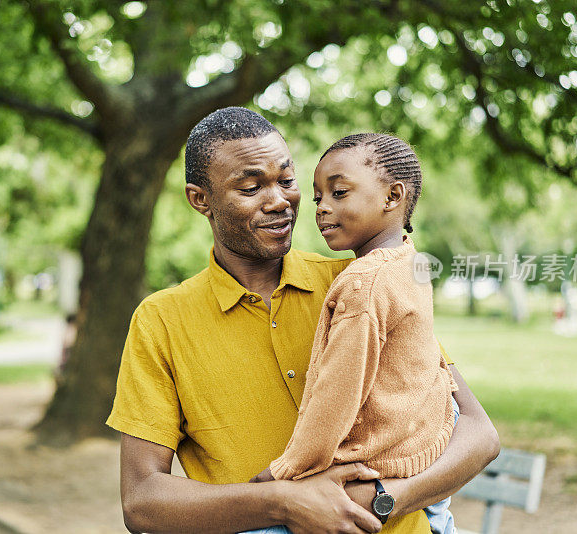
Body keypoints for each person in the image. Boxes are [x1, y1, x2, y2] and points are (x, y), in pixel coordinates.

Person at [106, 107, 499, 533]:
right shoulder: (161, 321)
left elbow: (478, 432)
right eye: (252, 186)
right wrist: (281, 502)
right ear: (201, 200)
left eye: (287, 181)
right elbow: (142, 500)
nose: (279, 200)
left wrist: (378, 499)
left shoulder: (358, 284)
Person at [243, 133, 460, 534]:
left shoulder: (364, 282)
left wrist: (284, 472)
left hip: (380, 458)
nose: (322, 208)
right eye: (318, 196)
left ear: (393, 196)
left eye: (339, 192)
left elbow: (337, 393)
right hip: (423, 445)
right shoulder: (408, 262)